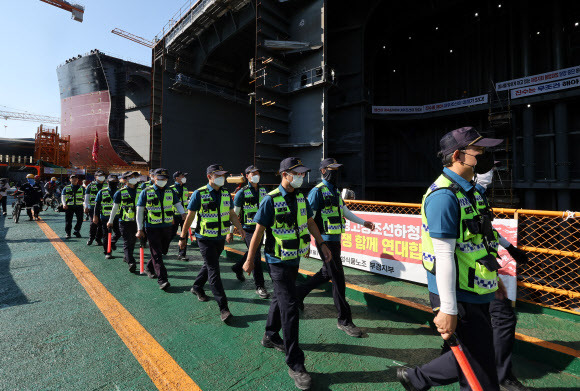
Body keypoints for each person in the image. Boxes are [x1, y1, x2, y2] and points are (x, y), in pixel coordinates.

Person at [398, 127, 507, 391]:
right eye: (478, 152)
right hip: (459, 294)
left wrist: (496, 279)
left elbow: (480, 241)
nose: (483, 157)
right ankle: (418, 378)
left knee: (477, 357)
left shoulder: (471, 192)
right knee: (481, 375)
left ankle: (417, 379)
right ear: (458, 155)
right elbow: (444, 256)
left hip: (477, 288)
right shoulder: (444, 197)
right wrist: (448, 308)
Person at [242, 157, 332, 391]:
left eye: (302, 173)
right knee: (290, 307)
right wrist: (251, 259)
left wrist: (321, 243)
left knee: (279, 299)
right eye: (298, 173)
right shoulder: (270, 200)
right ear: (285, 175)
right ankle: (295, 363)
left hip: (294, 259)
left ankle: (270, 335)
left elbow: (310, 221)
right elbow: (258, 232)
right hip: (276, 262)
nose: (302, 177)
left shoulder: (301, 197)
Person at [296, 158, 377, 337]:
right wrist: (307, 242)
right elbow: (308, 219)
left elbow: (344, 211)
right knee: (338, 279)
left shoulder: (335, 191)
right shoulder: (316, 193)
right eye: (332, 169)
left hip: (335, 240)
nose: (336, 173)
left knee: (326, 273)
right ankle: (344, 320)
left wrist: (364, 223)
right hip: (325, 241)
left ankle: (298, 293)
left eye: (337, 169)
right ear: (323, 171)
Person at [474, 166, 530, 391]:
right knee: (503, 318)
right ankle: (501, 375)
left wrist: (510, 248)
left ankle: (423, 375)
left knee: (472, 321)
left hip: (479, 269)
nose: (489, 178)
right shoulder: (472, 195)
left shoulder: (471, 194)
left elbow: (487, 230)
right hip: (477, 271)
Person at [178, 164, 245, 322]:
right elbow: (190, 217)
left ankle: (196, 286)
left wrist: (239, 228)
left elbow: (231, 214)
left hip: (219, 238)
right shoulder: (199, 194)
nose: (222, 177)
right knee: (214, 270)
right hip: (205, 238)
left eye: (223, 174)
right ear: (209, 177)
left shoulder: (225, 194)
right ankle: (224, 308)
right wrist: (183, 237)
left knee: (209, 265)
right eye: (218, 175)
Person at [136, 168, 187, 290]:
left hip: (167, 227)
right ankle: (162, 280)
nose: (162, 181)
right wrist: (140, 229)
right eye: (159, 178)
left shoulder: (170, 191)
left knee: (163, 251)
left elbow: (177, 204)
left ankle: (149, 267)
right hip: (152, 227)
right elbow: (140, 211)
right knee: (157, 254)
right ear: (153, 178)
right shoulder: (146, 192)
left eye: (164, 179)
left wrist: (183, 213)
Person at [229, 165, 271, 299]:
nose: (256, 175)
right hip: (249, 229)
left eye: (258, 173)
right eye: (253, 173)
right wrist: (231, 231)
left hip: (262, 228)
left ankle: (237, 267)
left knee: (253, 251)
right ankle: (260, 286)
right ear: (247, 176)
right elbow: (234, 213)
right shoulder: (242, 192)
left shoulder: (265, 190)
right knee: (256, 256)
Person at [109, 171, 140, 272]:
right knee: (127, 242)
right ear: (125, 180)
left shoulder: (141, 191)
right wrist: (110, 221)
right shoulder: (120, 193)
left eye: (134, 176)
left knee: (133, 241)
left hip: (137, 222)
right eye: (130, 177)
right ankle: (131, 262)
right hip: (124, 221)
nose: (133, 178)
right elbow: (115, 208)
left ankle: (127, 256)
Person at [94, 174, 121, 259]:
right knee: (106, 235)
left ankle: (112, 242)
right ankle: (108, 252)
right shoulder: (102, 192)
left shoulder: (120, 191)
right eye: (111, 181)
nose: (113, 183)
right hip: (105, 217)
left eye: (115, 182)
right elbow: (97, 205)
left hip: (117, 217)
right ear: (107, 182)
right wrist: (95, 216)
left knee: (119, 233)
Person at [170, 171, 190, 261]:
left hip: (184, 215)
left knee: (184, 234)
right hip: (173, 216)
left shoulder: (185, 189)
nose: (184, 177)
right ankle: (162, 248)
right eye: (182, 176)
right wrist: (170, 216)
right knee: (170, 234)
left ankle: (182, 254)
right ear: (177, 178)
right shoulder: (170, 189)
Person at [84, 170, 107, 246]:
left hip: (104, 208)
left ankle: (98, 239)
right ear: (96, 177)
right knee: (93, 223)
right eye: (100, 176)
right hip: (93, 207)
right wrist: (86, 207)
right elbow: (87, 197)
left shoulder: (107, 185)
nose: (102, 177)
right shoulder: (91, 185)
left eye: (103, 175)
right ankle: (91, 238)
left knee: (101, 224)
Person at [61, 174, 85, 238]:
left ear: (78, 180)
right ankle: (68, 233)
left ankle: (76, 231)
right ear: (70, 180)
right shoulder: (66, 188)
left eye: (76, 178)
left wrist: (85, 205)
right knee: (68, 221)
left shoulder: (82, 188)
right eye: (72, 178)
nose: (74, 179)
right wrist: (64, 204)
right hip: (69, 206)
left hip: (79, 206)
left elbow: (85, 197)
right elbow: (63, 197)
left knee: (80, 219)